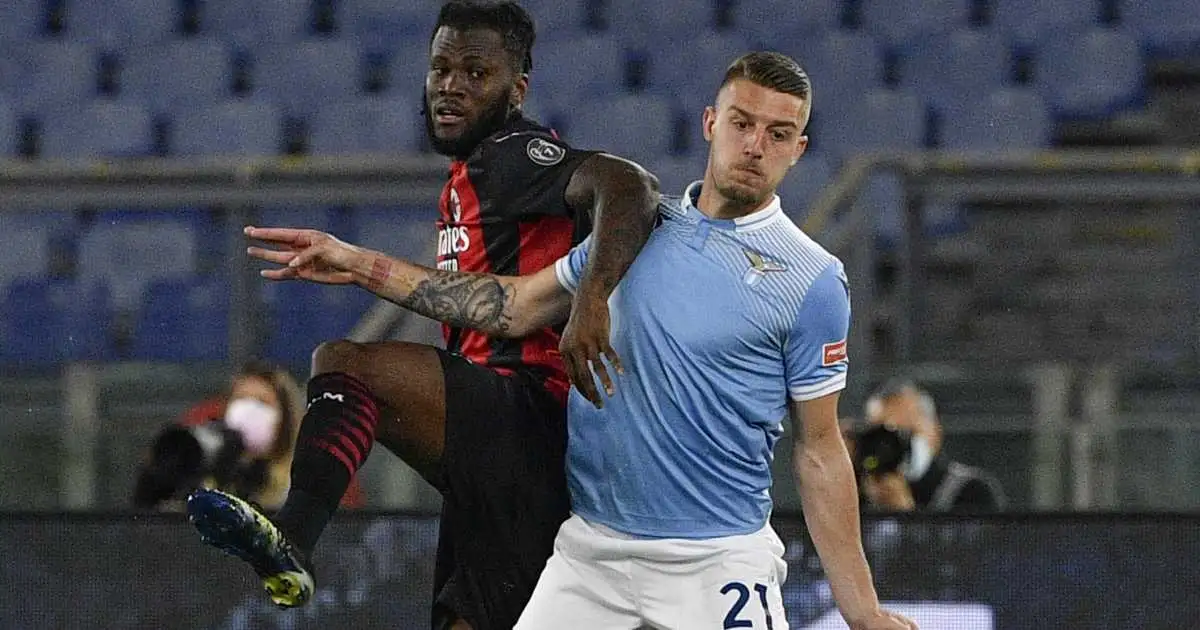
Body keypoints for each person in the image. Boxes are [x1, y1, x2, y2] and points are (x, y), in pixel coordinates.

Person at [240, 51, 916, 629]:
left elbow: (821, 448)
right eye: (742, 124)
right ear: (711, 125)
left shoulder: (813, 280)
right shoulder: (635, 233)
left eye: (779, 133)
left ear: (799, 149)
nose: (755, 146)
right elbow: (510, 306)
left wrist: (862, 611)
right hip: (593, 553)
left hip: (717, 562)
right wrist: (360, 264)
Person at [183, 2, 659, 629]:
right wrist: (357, 264)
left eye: (475, 72)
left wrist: (593, 296)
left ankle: (292, 534)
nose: (451, 87)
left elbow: (631, 186)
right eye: (440, 69)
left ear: (517, 88)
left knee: (347, 364)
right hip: (502, 470)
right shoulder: (470, 175)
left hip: (530, 420)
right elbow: (489, 299)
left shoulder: (516, 154)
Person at [135, 360, 322, 511]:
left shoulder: (301, 480)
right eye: (241, 398)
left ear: (284, 418)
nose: (249, 409)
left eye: (262, 401)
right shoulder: (208, 470)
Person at [854, 378, 1006, 513]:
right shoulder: (853, 492)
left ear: (935, 432)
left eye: (907, 432)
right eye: (884, 435)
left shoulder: (972, 491)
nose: (895, 444)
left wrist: (904, 513)